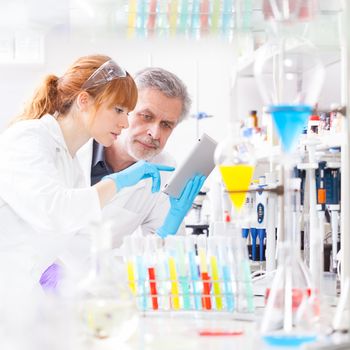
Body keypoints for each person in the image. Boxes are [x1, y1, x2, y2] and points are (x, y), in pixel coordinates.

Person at [0, 55, 174, 293]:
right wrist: (117, 182)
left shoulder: (71, 164)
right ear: (84, 100)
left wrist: (163, 234)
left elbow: (81, 244)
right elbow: (54, 210)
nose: (124, 122)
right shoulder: (28, 138)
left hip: (23, 296)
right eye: (118, 109)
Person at [77, 67, 205, 247]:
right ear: (123, 109)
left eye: (166, 125)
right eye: (146, 116)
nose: (155, 133)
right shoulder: (76, 148)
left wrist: (172, 224)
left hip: (102, 272)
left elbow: (159, 256)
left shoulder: (164, 169)